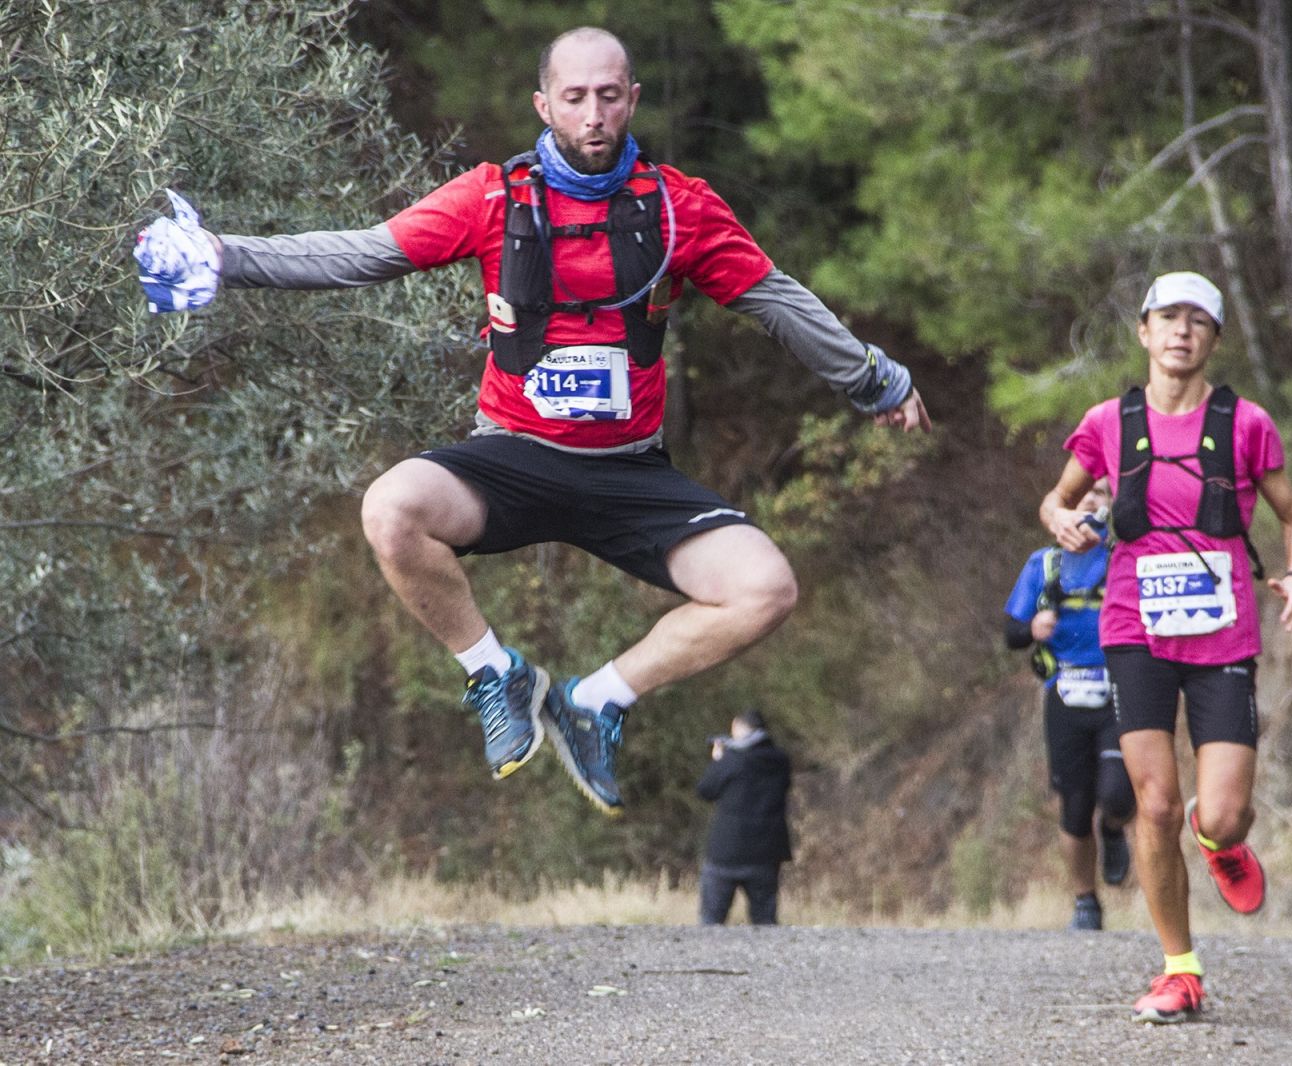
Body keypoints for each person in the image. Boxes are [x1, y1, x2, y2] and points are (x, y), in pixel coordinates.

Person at [132, 27, 929, 817]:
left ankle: (594, 702)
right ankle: (494, 673)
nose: (593, 115)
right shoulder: (490, 198)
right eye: (575, 98)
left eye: (609, 97)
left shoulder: (680, 208)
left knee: (765, 588)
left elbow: (774, 299)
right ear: (543, 104)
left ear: (632, 101)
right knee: (390, 508)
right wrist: (225, 255)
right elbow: (366, 254)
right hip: (512, 458)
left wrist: (871, 379)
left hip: (629, 470)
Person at [1038, 271, 1292, 1024]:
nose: (1181, 331)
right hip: (1134, 632)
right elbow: (1056, 498)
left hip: (1224, 635)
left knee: (1221, 814)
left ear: (1214, 339)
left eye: (1198, 320)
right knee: (1152, 804)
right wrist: (1060, 520)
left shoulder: (1247, 423)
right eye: (1168, 318)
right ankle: (1179, 969)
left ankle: (1220, 843)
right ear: (1144, 331)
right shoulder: (1106, 422)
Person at [1003, 477, 1134, 931]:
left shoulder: (1123, 559)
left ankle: (1115, 828)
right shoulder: (1044, 565)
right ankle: (1085, 901)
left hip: (1119, 690)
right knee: (1074, 807)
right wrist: (1032, 628)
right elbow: (1010, 633)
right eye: (1080, 497)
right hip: (1065, 693)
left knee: (1117, 793)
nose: (1090, 504)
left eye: (1099, 495)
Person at [695, 708, 793, 925]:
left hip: (726, 852)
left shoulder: (731, 761)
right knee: (765, 922)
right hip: (767, 852)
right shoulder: (780, 761)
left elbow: (705, 790)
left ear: (738, 727)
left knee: (711, 922)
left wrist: (718, 760)